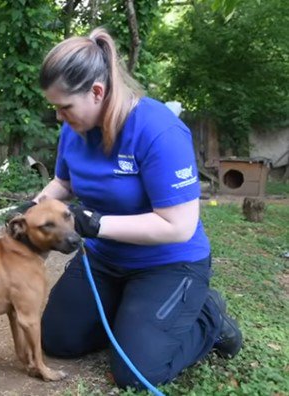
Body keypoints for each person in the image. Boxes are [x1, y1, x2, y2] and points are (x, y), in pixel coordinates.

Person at [33, 27, 242, 390]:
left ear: (97, 92)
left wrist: (97, 225)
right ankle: (135, 316)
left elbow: (178, 226)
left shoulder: (159, 130)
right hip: (105, 260)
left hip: (168, 263)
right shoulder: (74, 129)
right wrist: (34, 206)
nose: (59, 117)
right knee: (57, 340)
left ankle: (209, 317)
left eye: (64, 106)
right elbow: (64, 184)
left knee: (135, 372)